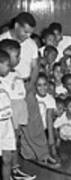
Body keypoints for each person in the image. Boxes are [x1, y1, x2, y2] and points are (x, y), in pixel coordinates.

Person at [0, 12, 55, 164]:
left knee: (33, 120)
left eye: (31, 32)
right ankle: (14, 162)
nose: (28, 35)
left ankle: (42, 154)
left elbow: (36, 66)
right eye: (25, 31)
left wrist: (30, 87)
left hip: (25, 85)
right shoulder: (2, 39)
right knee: (9, 128)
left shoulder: (30, 43)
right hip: (5, 89)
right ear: (16, 26)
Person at [0, 39, 36, 180]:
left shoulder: (14, 73)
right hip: (6, 117)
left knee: (11, 150)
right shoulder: (4, 78)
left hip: (10, 117)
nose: (19, 59)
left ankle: (13, 172)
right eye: (16, 56)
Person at [0, 50, 16, 180]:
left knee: (7, 158)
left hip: (6, 125)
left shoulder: (5, 81)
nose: (9, 68)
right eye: (7, 65)